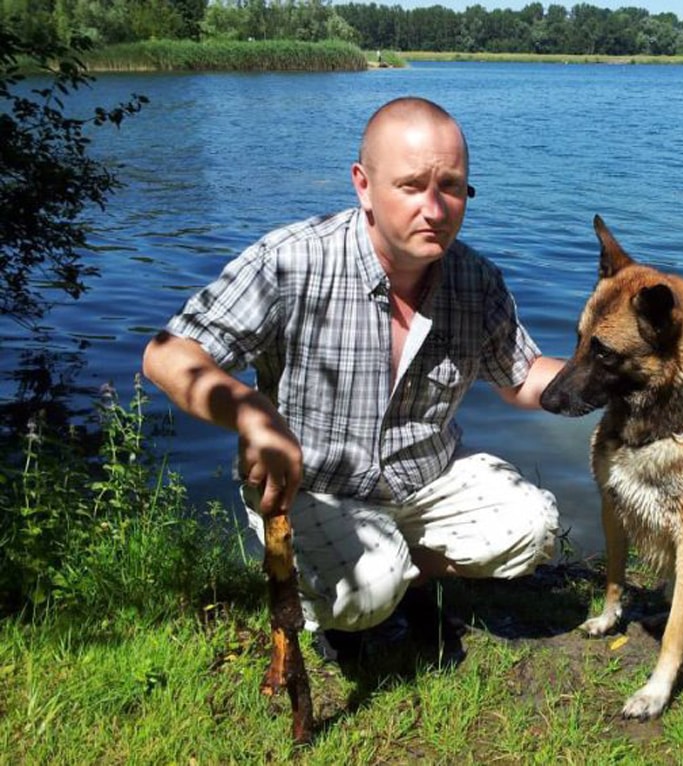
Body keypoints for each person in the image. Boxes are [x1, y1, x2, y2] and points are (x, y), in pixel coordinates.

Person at [142, 96, 564, 660]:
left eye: (453, 187)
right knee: (367, 592)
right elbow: (168, 354)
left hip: (423, 484)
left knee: (534, 525)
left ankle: (408, 578)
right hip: (313, 490)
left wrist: (621, 378)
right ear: (363, 184)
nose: (436, 210)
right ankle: (356, 602)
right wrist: (250, 412)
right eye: (412, 186)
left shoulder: (477, 280)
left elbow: (524, 378)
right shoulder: (293, 262)